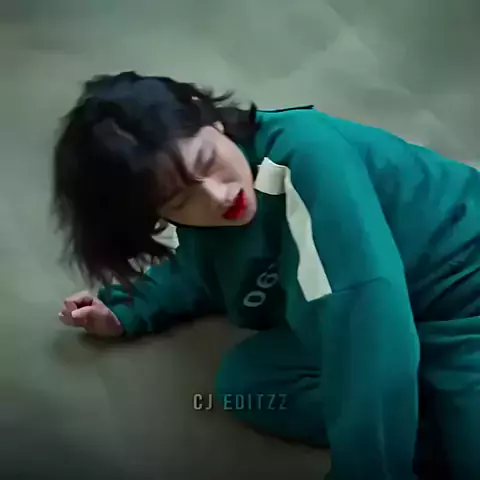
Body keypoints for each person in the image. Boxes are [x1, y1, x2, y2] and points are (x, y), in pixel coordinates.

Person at [53, 71, 480, 480]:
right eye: (181, 202)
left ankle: (422, 410)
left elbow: (364, 315)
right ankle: (424, 413)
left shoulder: (304, 153)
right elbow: (203, 265)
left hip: (464, 295)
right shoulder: (212, 217)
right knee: (248, 385)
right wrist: (129, 308)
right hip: (402, 316)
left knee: (378, 359)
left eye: (208, 160)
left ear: (209, 117)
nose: (218, 197)